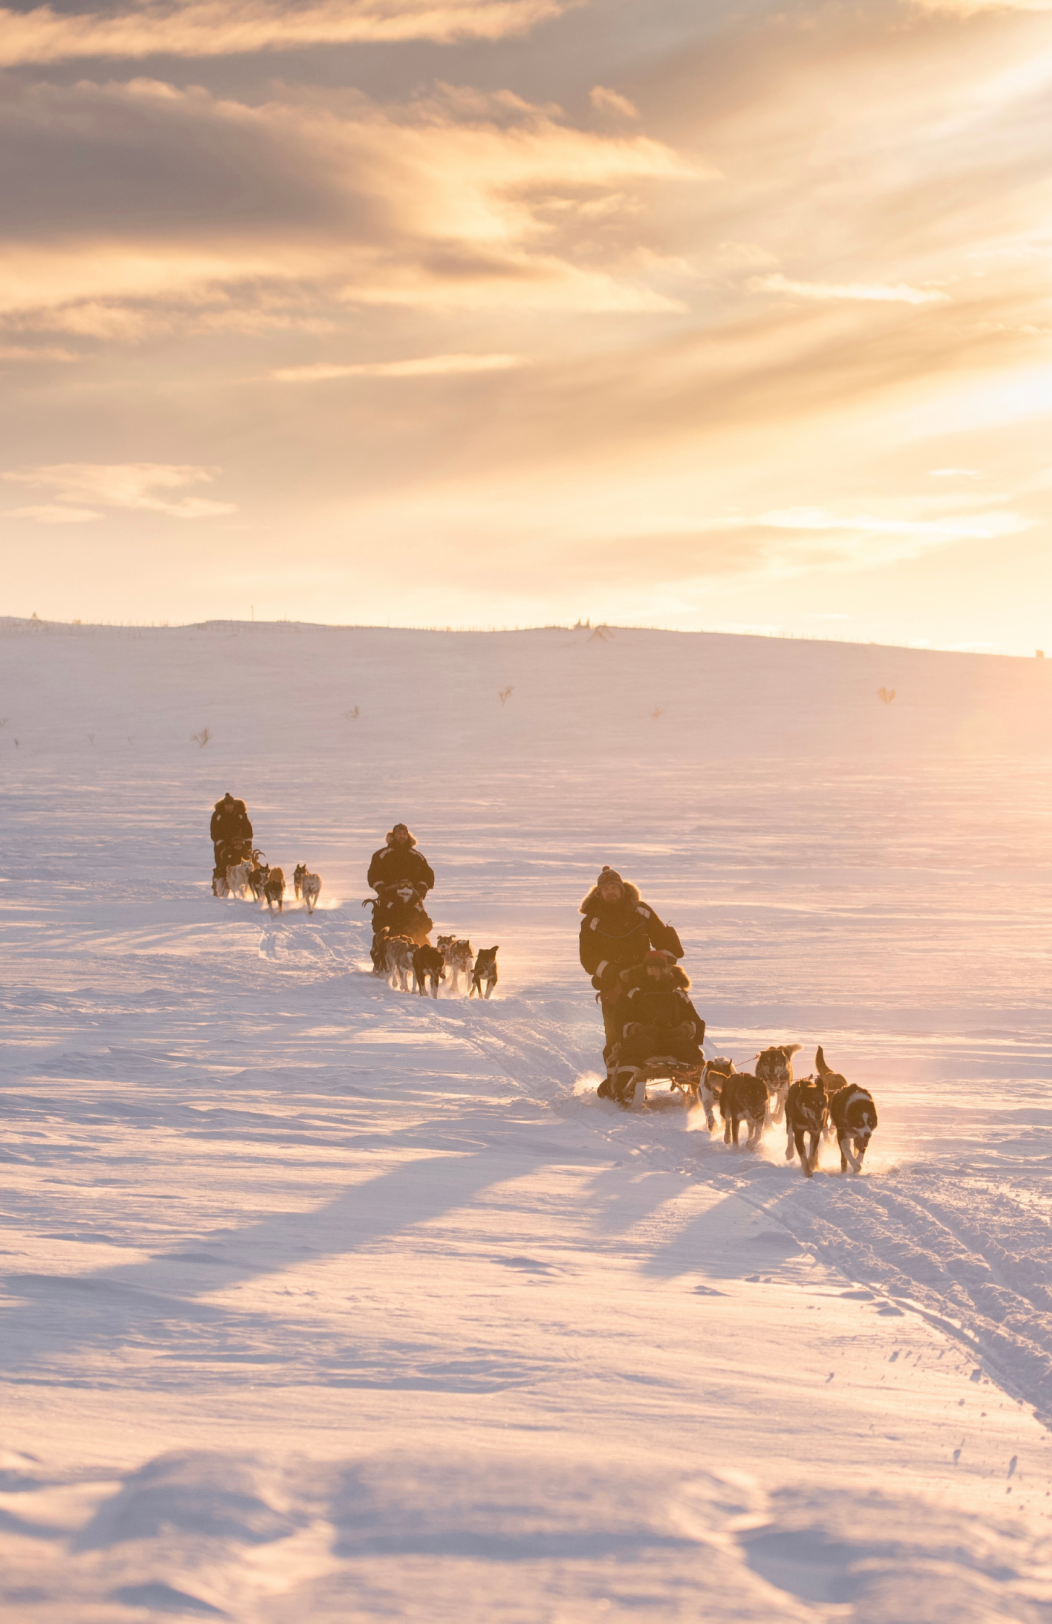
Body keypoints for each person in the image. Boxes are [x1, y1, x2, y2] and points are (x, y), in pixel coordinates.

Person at [579, 865, 683, 1061]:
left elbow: (664, 940)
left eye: (614, 887)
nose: (611, 892)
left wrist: (662, 964)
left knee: (658, 1020)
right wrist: (610, 972)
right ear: (600, 892)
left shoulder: (641, 910)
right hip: (613, 983)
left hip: (645, 978)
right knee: (616, 1031)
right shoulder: (591, 920)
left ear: (622, 888)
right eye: (606, 889)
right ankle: (617, 1073)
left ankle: (671, 1055)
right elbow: (588, 958)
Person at [603, 951, 705, 1103]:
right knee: (637, 1047)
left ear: (665, 969)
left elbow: (695, 1021)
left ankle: (703, 1088)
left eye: (657, 968)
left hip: (671, 1038)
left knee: (688, 1049)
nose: (653, 971)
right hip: (643, 1039)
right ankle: (620, 1088)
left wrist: (685, 1029)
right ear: (644, 968)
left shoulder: (677, 993)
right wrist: (636, 1029)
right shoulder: (633, 992)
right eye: (650, 967)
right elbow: (618, 1022)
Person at [367, 824, 435, 897]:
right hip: (389, 897)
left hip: (413, 898)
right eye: (399, 833)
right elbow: (373, 874)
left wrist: (422, 889)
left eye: (404, 833)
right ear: (393, 836)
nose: (402, 836)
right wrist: (381, 888)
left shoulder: (417, 856)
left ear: (408, 835)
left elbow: (427, 874)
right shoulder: (381, 855)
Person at [368, 882, 434, 949]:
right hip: (392, 940)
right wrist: (390, 929)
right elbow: (377, 924)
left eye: (407, 894)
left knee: (425, 947)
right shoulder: (387, 907)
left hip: (414, 939)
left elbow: (427, 924)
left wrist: (418, 930)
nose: (404, 896)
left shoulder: (417, 907)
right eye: (402, 894)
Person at [210, 792, 253, 867]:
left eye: (231, 805)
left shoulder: (240, 814)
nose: (229, 807)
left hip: (238, 844)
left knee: (244, 862)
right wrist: (222, 846)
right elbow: (214, 832)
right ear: (224, 805)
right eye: (227, 805)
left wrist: (248, 845)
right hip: (223, 845)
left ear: (233, 805)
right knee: (222, 865)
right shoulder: (217, 815)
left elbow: (247, 829)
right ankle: (220, 876)